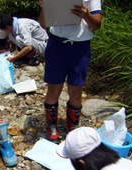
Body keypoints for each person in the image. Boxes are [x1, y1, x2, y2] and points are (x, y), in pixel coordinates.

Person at [39, 0, 102, 143]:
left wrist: (86, 15)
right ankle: (51, 126)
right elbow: (44, 24)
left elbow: (97, 24)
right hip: (57, 44)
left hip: (81, 48)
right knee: (53, 90)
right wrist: (43, 7)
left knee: (76, 91)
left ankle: (72, 127)